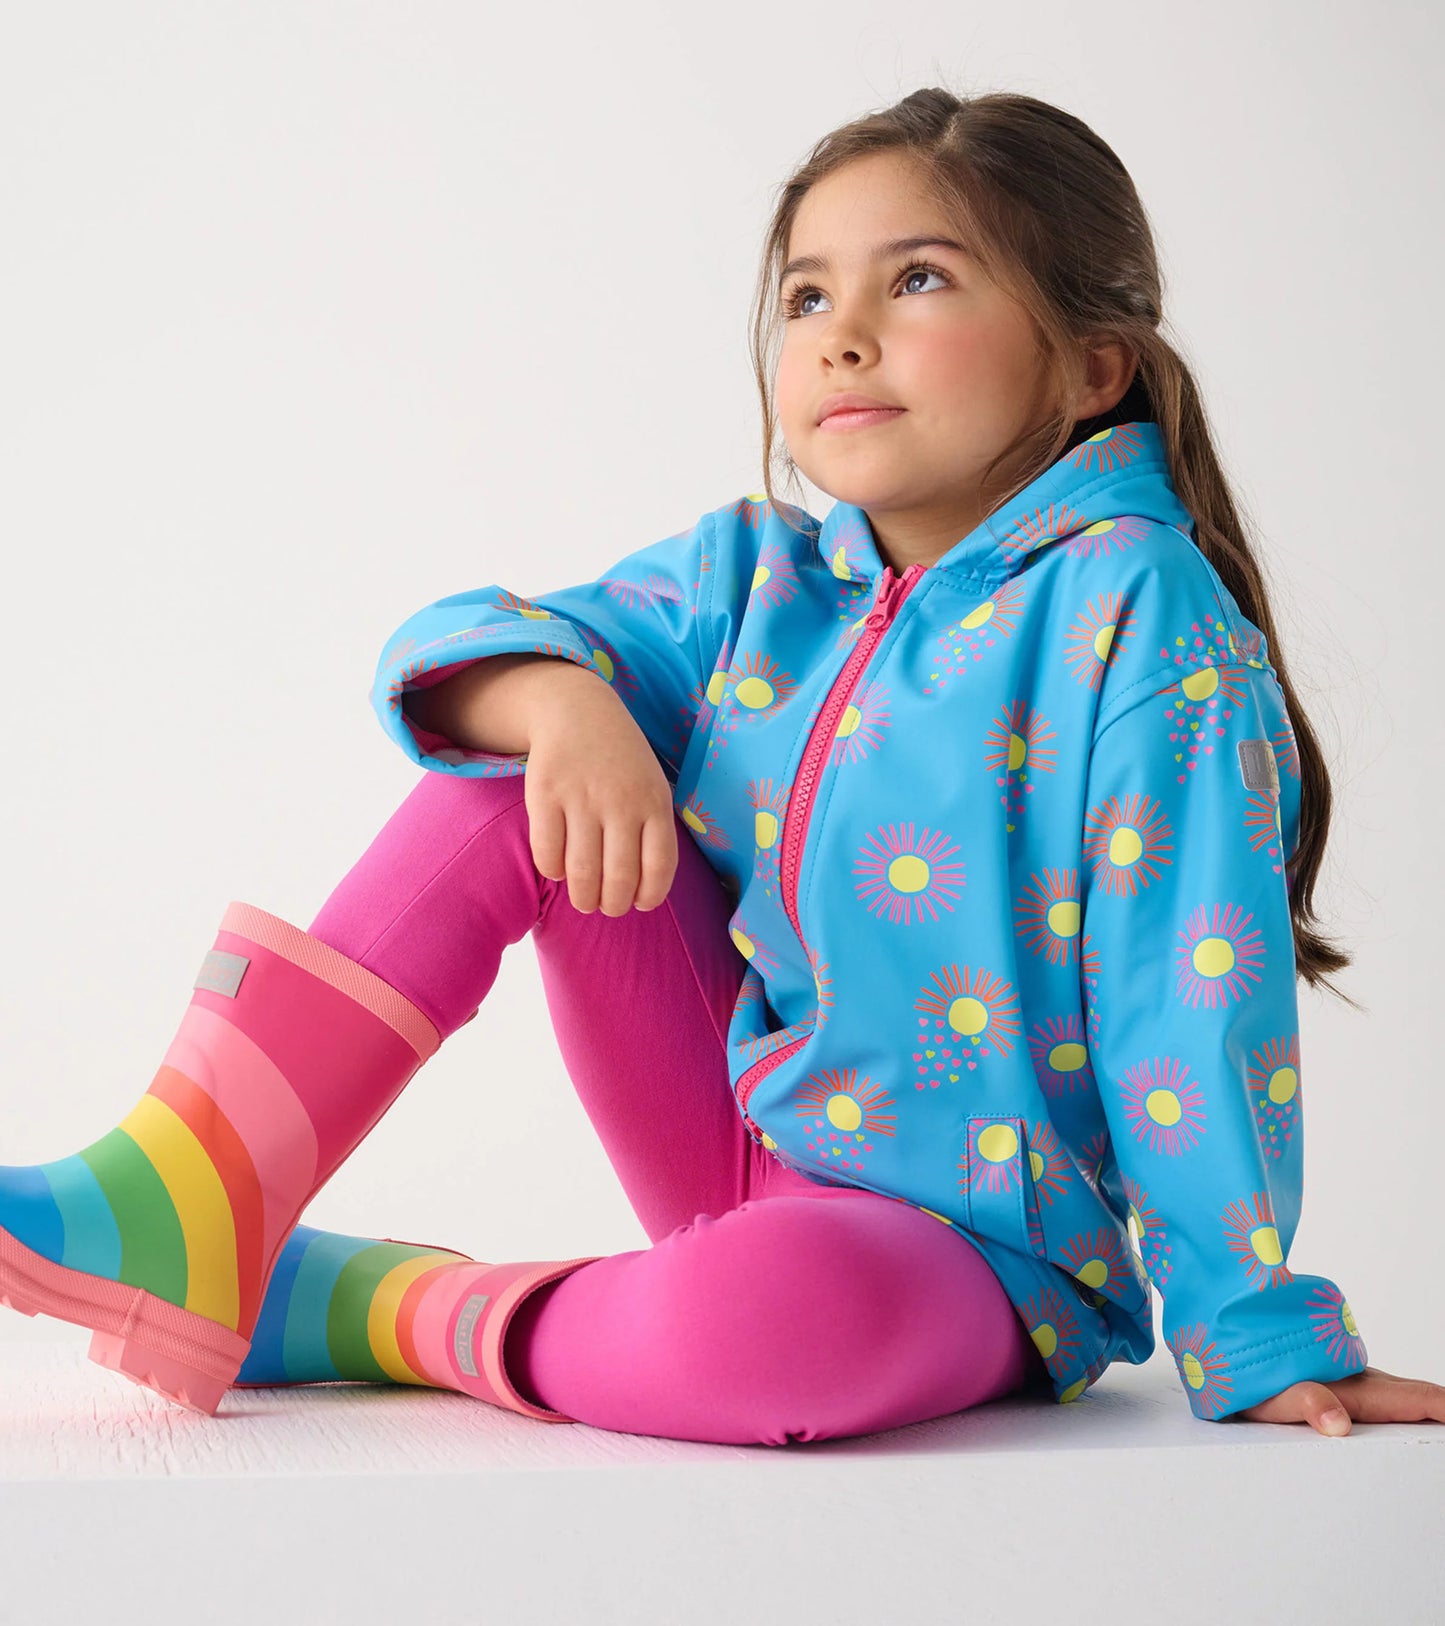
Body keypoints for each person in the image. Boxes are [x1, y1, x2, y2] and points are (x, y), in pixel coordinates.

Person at [2, 87, 1440, 1445]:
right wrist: (564, 701)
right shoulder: (750, 577)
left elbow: (1185, 986)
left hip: (971, 1254)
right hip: (724, 1133)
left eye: (917, 280)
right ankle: (196, 1179)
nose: (842, 336)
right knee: (516, 753)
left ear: (1090, 364)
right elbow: (447, 646)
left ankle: (370, 1303)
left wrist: (1251, 1330)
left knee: (763, 1334)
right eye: (807, 297)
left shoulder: (1135, 608)